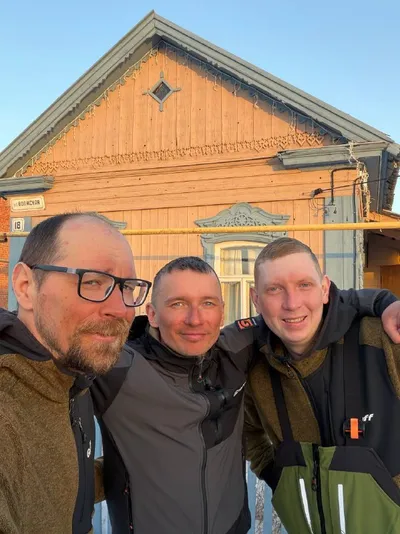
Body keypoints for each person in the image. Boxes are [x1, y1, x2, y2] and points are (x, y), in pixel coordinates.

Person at [92, 256, 400, 534]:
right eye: (178, 304)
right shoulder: (116, 368)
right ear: (152, 314)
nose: (195, 319)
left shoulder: (236, 349)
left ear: (222, 310)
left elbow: (302, 308)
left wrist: (382, 302)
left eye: (208, 303)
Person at [0, 213, 151, 534]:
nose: (121, 309)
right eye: (93, 281)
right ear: (25, 286)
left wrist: (125, 469)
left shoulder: (70, 375)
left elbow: (47, 483)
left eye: (127, 287)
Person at [244, 237, 400, 534]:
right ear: (256, 298)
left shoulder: (384, 340)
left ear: (325, 289)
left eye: (304, 285)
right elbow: (249, 432)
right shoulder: (256, 369)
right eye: (274, 289)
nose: (292, 303)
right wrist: (281, 478)